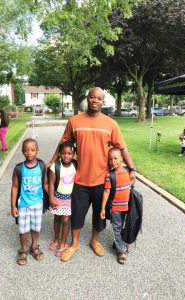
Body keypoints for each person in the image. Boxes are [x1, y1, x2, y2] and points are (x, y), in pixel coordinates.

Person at [47, 87, 135, 262]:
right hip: (79, 179)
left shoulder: (110, 124)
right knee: (77, 213)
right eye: (92, 97)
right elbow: (64, 142)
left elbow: (122, 147)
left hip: (102, 179)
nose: (95, 100)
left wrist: (131, 169)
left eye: (99, 98)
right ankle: (74, 244)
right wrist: (51, 161)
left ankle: (94, 241)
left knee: (98, 214)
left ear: (103, 102)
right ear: (87, 99)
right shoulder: (74, 121)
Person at [11, 138, 48, 266]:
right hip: (23, 204)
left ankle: (34, 246)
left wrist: (54, 198)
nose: (29, 152)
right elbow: (15, 187)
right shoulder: (19, 168)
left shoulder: (42, 166)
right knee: (23, 229)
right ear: (22, 152)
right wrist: (13, 206)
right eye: (26, 150)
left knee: (36, 227)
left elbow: (46, 184)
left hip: (37, 203)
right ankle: (23, 249)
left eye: (32, 150)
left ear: (37, 150)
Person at [100, 148, 131, 265]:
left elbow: (130, 187)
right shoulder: (110, 175)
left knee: (123, 227)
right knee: (117, 228)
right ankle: (121, 251)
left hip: (127, 207)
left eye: (116, 158)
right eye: (110, 159)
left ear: (122, 158)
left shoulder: (128, 172)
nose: (113, 161)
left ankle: (118, 243)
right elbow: (106, 192)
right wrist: (103, 208)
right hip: (116, 209)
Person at [48, 141, 77, 257]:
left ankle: (63, 242)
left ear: (73, 154)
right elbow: (51, 184)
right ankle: (56, 239)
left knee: (65, 220)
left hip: (70, 198)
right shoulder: (55, 166)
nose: (66, 156)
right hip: (57, 197)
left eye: (69, 153)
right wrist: (51, 198)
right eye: (64, 153)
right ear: (60, 153)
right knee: (57, 219)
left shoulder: (76, 165)